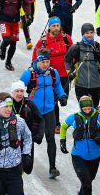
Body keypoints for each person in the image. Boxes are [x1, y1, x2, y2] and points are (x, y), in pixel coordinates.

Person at [20, 48, 67, 179]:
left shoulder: (53, 72)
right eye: (43, 62)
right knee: (32, 139)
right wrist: (21, 104)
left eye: (47, 61)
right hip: (33, 113)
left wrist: (62, 95)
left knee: (50, 138)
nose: (46, 64)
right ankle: (27, 165)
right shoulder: (28, 73)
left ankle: (52, 168)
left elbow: (57, 85)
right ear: (37, 60)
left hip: (49, 111)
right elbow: (19, 89)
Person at [33, 17, 73, 133]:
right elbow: (35, 58)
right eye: (53, 26)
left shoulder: (66, 38)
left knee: (63, 99)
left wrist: (73, 69)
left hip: (64, 74)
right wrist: (36, 71)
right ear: (49, 27)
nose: (56, 28)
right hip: (50, 75)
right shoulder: (43, 41)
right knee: (53, 100)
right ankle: (55, 123)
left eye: (57, 25)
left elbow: (73, 53)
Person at [11, 80, 44, 195]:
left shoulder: (29, 104)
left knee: (26, 167)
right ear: (12, 92)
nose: (19, 93)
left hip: (27, 142)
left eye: (21, 91)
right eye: (16, 91)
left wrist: (39, 135)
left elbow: (40, 120)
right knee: (17, 171)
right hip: (11, 144)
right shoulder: (7, 105)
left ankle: (14, 184)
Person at [64, 23, 100, 106]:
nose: (89, 35)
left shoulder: (99, 47)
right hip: (80, 84)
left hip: (96, 84)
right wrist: (70, 71)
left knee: (94, 108)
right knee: (84, 109)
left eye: (91, 32)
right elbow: (67, 60)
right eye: (87, 33)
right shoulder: (76, 47)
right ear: (82, 34)